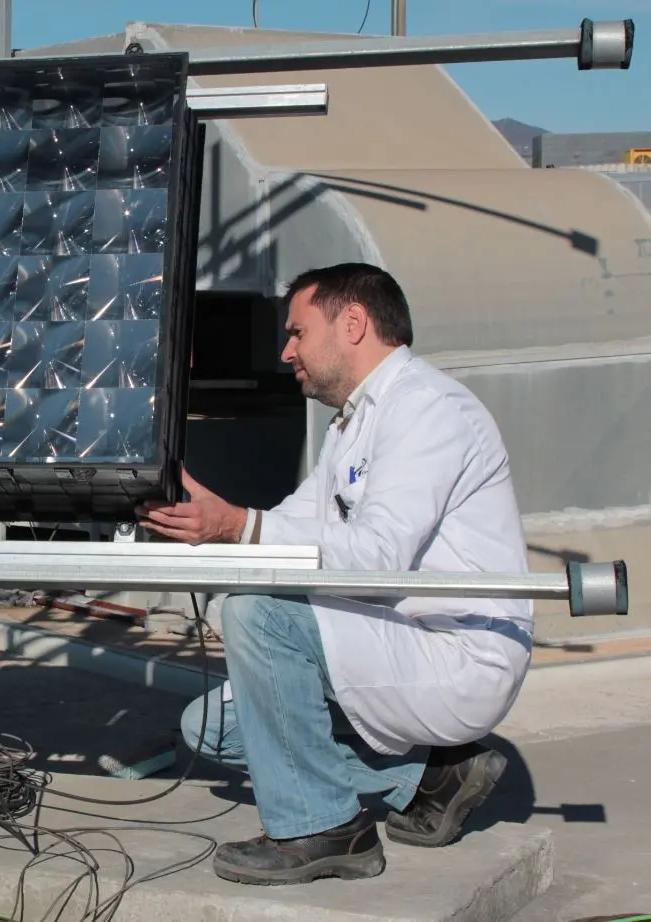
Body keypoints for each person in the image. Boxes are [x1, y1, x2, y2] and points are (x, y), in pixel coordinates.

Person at [138, 263, 532, 886]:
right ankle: (431, 773)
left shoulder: (427, 408)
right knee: (209, 726)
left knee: (260, 614)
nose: (285, 350)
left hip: (453, 654)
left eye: (297, 331)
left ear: (353, 322)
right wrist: (204, 521)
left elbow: (376, 557)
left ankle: (321, 829)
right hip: (391, 644)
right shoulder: (353, 424)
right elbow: (286, 527)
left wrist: (237, 527)